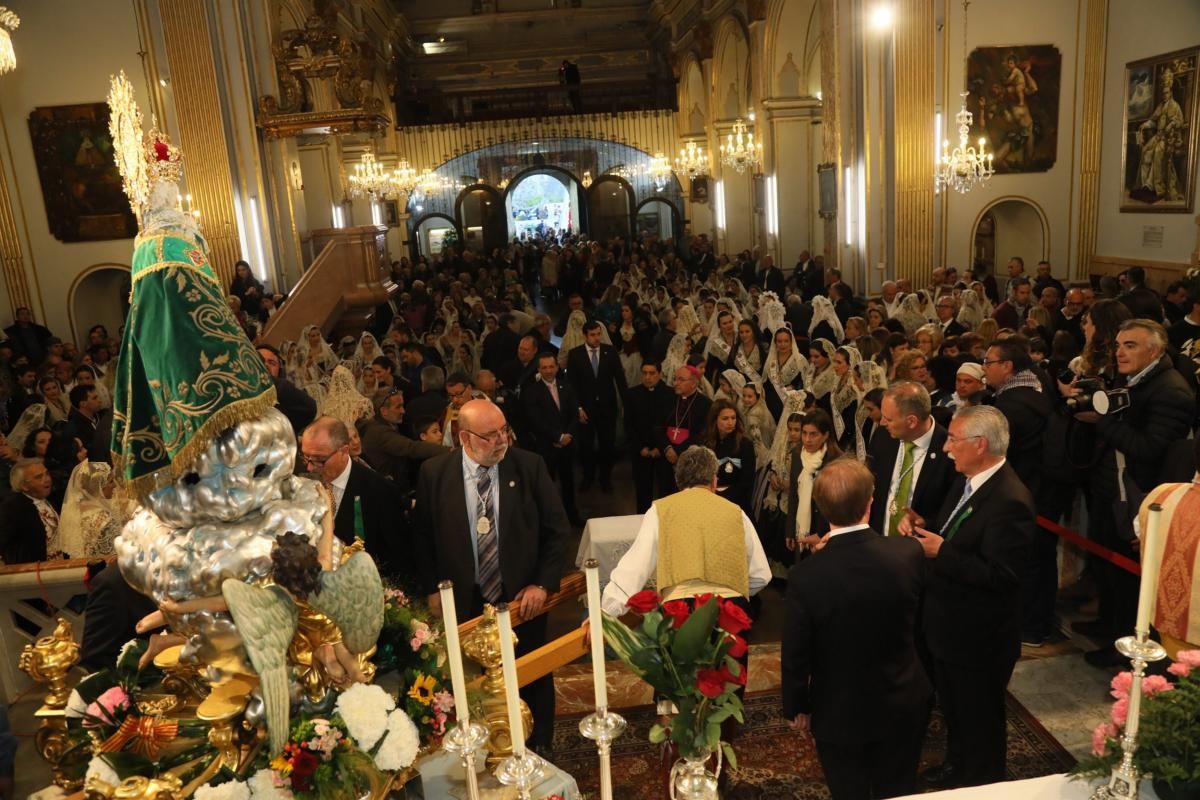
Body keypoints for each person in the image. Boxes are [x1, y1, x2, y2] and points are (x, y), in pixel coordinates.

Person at [416, 399, 570, 754]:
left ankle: (541, 745)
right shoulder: (434, 473)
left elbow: (557, 530)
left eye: (504, 431)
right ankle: (483, 747)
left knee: (531, 672)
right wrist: (432, 590)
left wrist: (542, 583)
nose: (501, 440)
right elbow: (422, 538)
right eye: (490, 436)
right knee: (470, 682)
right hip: (466, 602)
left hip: (520, 600)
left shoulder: (528, 466)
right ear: (464, 437)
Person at [895, 406, 1031, 789]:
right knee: (955, 709)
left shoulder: (1010, 500)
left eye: (954, 439)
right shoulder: (968, 480)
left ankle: (983, 783)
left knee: (980, 718)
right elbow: (954, 529)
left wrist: (943, 552)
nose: (948, 447)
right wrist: (924, 524)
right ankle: (957, 766)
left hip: (980, 636)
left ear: (980, 444)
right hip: (949, 624)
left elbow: (1004, 575)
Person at [782, 458, 930, 800]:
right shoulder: (908, 553)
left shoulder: (807, 576)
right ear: (870, 503)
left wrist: (797, 706)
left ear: (821, 509)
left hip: (838, 708)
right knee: (899, 787)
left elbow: (796, 652)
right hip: (903, 698)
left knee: (848, 789)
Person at [1069, 319, 1194, 666]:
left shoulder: (1171, 391)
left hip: (1139, 498)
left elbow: (1150, 449)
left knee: (1126, 577)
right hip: (1114, 491)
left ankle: (1123, 646)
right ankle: (1107, 627)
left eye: (1131, 345)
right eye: (1119, 345)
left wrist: (1103, 421)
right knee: (1107, 567)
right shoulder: (1136, 381)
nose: (1120, 352)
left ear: (1154, 350)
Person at [600, 446, 770, 616]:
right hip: (730, 608)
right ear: (714, 481)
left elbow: (636, 567)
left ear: (678, 481)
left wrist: (608, 612)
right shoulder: (736, 513)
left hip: (682, 608)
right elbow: (761, 575)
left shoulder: (661, 510)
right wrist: (733, 590)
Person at [301, 416, 411, 582]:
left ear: (344, 451)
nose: (310, 467)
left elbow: (397, 555)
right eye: (306, 458)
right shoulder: (302, 486)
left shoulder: (378, 490)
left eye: (319, 460)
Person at [867, 382, 958, 537]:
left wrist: (926, 523)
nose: (882, 422)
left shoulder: (949, 451)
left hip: (919, 550)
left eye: (888, 419)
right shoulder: (882, 437)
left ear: (911, 421)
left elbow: (952, 509)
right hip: (878, 542)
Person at [522, 352, 584, 528]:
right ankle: (549, 521)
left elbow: (574, 414)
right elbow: (535, 421)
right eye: (544, 367)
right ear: (539, 369)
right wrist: (557, 437)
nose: (549, 371)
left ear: (557, 367)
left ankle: (572, 515)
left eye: (551, 366)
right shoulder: (531, 392)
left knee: (568, 482)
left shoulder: (567, 387)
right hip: (546, 447)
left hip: (567, 445)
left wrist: (568, 435)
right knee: (547, 486)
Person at [566, 320, 627, 493]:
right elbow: (571, 385)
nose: (596, 338)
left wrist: (626, 404)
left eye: (598, 334)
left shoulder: (610, 351)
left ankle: (605, 478)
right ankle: (588, 477)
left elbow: (620, 379)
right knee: (586, 445)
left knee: (607, 444)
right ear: (585, 336)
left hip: (607, 407)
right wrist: (577, 408)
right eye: (592, 335)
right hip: (586, 409)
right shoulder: (575, 355)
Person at [358, 391, 450, 496]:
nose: (403, 411)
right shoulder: (380, 432)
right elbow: (411, 448)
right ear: (384, 411)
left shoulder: (385, 427)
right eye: (398, 407)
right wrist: (449, 451)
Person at [786, 410, 840, 557]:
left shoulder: (835, 460)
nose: (807, 439)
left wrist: (822, 534)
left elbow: (836, 504)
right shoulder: (798, 455)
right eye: (804, 433)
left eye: (813, 434)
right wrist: (790, 530)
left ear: (826, 435)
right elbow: (793, 494)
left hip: (824, 531)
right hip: (802, 527)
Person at [625, 361, 674, 511]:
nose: (647, 377)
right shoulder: (632, 394)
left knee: (666, 491)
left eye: (652, 373)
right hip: (641, 451)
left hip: (664, 451)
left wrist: (662, 448)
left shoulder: (670, 394)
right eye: (644, 373)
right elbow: (629, 424)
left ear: (659, 374)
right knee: (643, 491)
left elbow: (672, 424)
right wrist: (640, 447)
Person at [660, 365, 713, 493]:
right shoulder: (667, 399)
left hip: (690, 459)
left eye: (680, 380)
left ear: (694, 383)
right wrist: (667, 448)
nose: (675, 383)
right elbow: (658, 427)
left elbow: (701, 433)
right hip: (666, 456)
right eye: (675, 379)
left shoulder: (706, 404)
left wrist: (677, 452)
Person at [0, 459, 59, 563]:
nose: (47, 479)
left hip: (59, 565)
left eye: (47, 474)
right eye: (39, 477)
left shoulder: (50, 499)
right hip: (32, 571)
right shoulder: (13, 507)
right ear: (24, 486)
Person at [704, 399, 756, 517]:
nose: (730, 422)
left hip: (735, 503)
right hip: (709, 499)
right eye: (725, 419)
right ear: (715, 420)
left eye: (733, 418)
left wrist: (722, 498)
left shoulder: (744, 444)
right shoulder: (705, 442)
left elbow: (747, 481)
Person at [258, 344, 317, 437]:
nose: (265, 365)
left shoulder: (285, 393)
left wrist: (265, 378)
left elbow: (310, 408)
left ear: (279, 370)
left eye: (271, 363)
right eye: (259, 361)